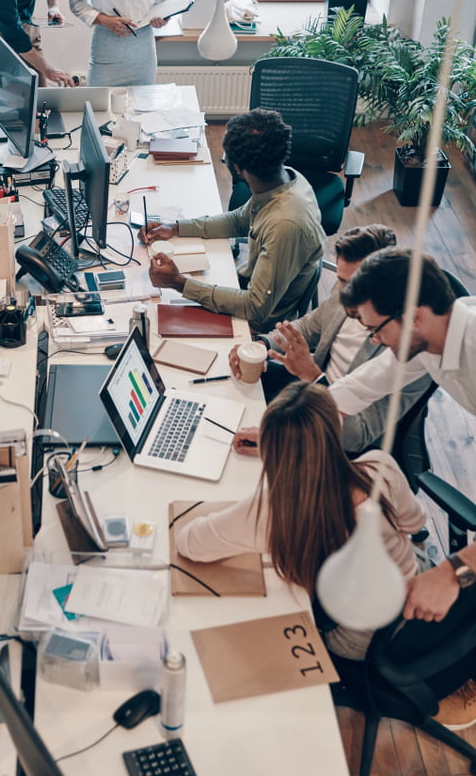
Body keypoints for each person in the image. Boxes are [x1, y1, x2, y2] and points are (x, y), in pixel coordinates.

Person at [174, 382, 427, 661]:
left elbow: (190, 544)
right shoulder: (381, 467)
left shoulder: (275, 508)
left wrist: (279, 458)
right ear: (337, 428)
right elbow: (415, 524)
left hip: (356, 638)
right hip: (417, 597)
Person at [331, 247, 476, 630]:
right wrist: (289, 428)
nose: (376, 341)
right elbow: (362, 385)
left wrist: (453, 572)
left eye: (376, 330)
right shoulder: (431, 336)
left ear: (413, 316)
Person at [228, 223, 431, 454]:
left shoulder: (411, 348)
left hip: (333, 432)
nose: (346, 293)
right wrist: (261, 344)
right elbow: (308, 326)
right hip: (308, 389)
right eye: (342, 280)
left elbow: (356, 438)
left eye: (354, 283)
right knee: (229, 385)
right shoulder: (346, 287)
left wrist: (312, 377)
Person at [140, 109, 325, 332]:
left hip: (258, 323)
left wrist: (178, 283)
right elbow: (239, 221)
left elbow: (255, 308)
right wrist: (176, 228)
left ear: (238, 169)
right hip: (250, 287)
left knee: (155, 319)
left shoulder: (284, 224)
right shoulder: (285, 178)